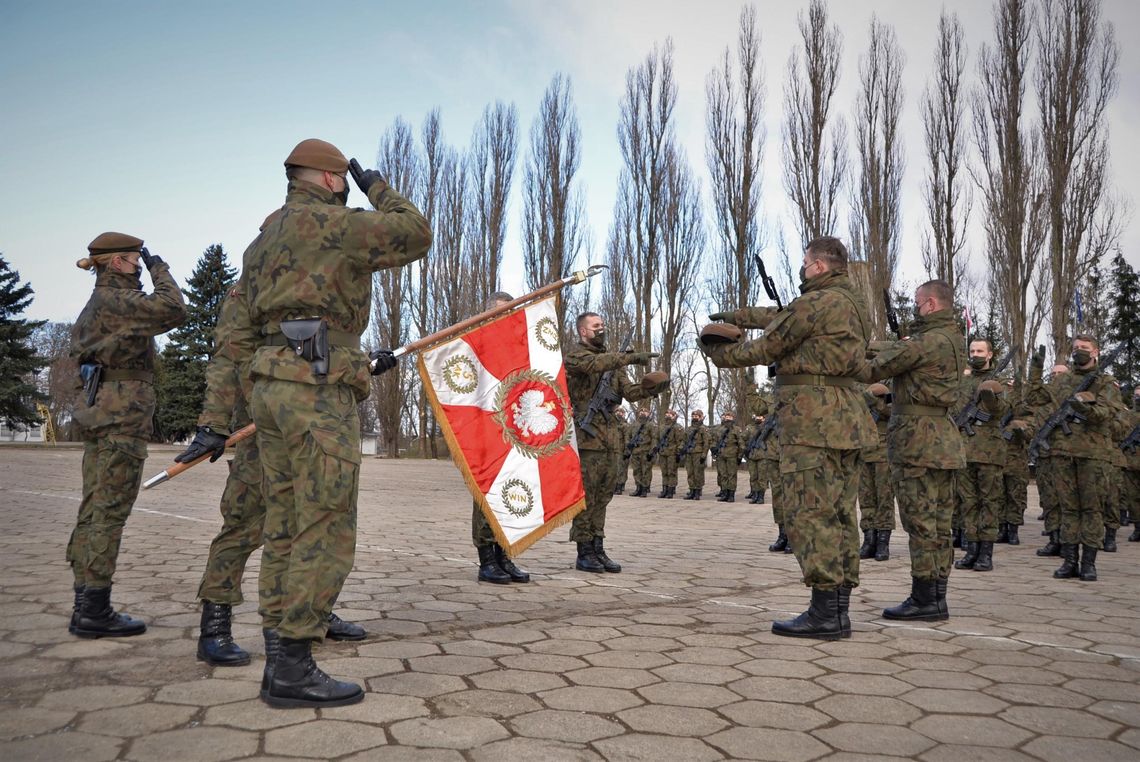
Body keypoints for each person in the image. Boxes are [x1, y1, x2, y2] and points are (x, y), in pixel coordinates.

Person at [242, 138, 431, 707]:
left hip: (270, 386)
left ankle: (280, 656)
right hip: (316, 390)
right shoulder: (337, 223)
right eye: (342, 178)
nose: (345, 186)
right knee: (325, 525)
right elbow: (415, 232)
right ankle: (296, 665)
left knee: (283, 522)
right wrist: (375, 184)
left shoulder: (263, 239)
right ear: (328, 178)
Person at [176, 267, 367, 670]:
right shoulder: (253, 288)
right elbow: (227, 357)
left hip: (315, 419)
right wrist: (212, 423)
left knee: (316, 522)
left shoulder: (316, 284)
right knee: (244, 524)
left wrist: (363, 366)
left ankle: (312, 615)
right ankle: (215, 626)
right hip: (262, 425)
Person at [702, 236, 874, 639]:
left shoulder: (816, 302)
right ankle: (839, 607)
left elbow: (770, 343)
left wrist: (718, 353)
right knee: (841, 514)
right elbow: (778, 316)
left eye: (804, 262)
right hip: (847, 419)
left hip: (813, 422)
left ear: (817, 266)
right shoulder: (853, 303)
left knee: (809, 514)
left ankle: (824, 613)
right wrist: (740, 315)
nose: (801, 269)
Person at [67, 233, 187, 637]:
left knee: (94, 508)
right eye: (135, 260)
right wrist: (160, 268)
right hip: (121, 420)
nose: (140, 265)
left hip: (103, 415)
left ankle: (85, 603)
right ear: (117, 262)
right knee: (109, 512)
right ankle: (94, 609)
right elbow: (173, 309)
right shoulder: (116, 301)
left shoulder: (98, 303)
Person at [858, 279, 965, 621]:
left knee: (921, 524)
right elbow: (898, 350)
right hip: (944, 441)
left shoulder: (927, 341)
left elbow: (875, 367)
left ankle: (924, 600)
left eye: (918, 304)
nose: (916, 309)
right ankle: (937, 597)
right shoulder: (952, 338)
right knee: (939, 525)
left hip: (918, 443)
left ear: (932, 304)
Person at [566, 313, 669, 572]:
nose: (601, 329)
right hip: (586, 437)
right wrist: (629, 357)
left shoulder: (614, 365)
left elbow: (630, 393)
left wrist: (652, 388)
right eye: (595, 326)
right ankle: (583, 550)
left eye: (602, 325)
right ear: (583, 332)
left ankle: (598, 546)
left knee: (604, 495)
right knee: (587, 496)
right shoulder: (576, 356)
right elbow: (595, 364)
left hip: (610, 438)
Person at [1023, 335, 1122, 582]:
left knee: (1091, 508)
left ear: (1095, 351)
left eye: (1084, 348)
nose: (1079, 352)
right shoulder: (1064, 380)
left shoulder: (1105, 383)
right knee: (1068, 508)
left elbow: (1107, 414)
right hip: (1062, 454)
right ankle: (1069, 560)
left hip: (1093, 454)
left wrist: (1083, 408)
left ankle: (1088, 563)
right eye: (1076, 348)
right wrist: (1035, 368)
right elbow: (1035, 397)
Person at [472, 292, 530, 584]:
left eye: (512, 310)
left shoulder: (516, 346)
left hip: (512, 430)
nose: (509, 315)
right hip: (484, 431)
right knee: (486, 495)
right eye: (503, 311)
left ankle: (504, 555)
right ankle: (487, 560)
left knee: (508, 495)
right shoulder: (476, 340)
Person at [953, 339, 1010, 573]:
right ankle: (971, 549)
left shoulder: (1000, 382)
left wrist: (989, 396)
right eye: (972, 351)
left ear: (990, 354)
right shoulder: (963, 382)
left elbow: (1003, 410)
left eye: (980, 351)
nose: (975, 354)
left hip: (989, 452)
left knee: (989, 502)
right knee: (968, 503)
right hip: (965, 450)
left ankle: (986, 553)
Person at [858, 383, 895, 562]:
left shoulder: (888, 389)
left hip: (883, 453)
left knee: (884, 497)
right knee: (866, 499)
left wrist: (873, 400)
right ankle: (869, 539)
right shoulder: (860, 389)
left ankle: (883, 542)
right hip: (863, 452)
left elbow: (892, 411)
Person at [710, 412, 744, 502]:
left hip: (732, 455)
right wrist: (713, 448)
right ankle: (724, 493)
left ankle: (731, 494)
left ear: (733, 418)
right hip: (721, 455)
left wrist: (740, 456)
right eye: (726, 417)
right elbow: (714, 440)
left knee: (731, 475)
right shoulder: (720, 429)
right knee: (723, 475)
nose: (727, 418)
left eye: (729, 417)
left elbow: (741, 444)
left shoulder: (736, 429)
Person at [654, 409, 685, 498]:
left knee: (671, 472)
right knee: (664, 472)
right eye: (667, 413)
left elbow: (681, 441)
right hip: (663, 452)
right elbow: (657, 438)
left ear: (674, 416)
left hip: (672, 452)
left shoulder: (677, 427)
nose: (668, 415)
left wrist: (679, 452)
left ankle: (671, 490)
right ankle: (665, 489)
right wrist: (656, 447)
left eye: (670, 414)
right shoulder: (662, 427)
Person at [680, 410, 711, 500]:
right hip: (689, 453)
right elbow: (684, 440)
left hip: (698, 453)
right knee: (690, 472)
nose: (694, 417)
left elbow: (706, 442)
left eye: (697, 416)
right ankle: (692, 490)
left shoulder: (703, 429)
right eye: (693, 416)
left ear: (701, 417)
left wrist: (704, 454)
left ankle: (698, 491)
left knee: (698, 473)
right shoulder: (689, 429)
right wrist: (681, 449)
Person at [627, 407, 657, 497]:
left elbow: (654, 438)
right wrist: (629, 445)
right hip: (635, 451)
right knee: (636, 471)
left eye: (645, 412)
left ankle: (644, 489)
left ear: (649, 414)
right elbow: (628, 436)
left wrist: (652, 452)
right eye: (641, 411)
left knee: (646, 471)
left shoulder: (651, 425)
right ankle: (638, 488)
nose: (643, 413)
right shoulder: (633, 425)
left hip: (646, 451)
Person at [611, 407, 631, 494]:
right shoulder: (612, 424)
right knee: (613, 469)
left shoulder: (625, 426)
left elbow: (627, 439)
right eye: (617, 412)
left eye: (621, 412)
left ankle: (619, 486)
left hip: (621, 450)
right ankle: (614, 485)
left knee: (621, 469)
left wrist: (627, 450)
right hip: (613, 450)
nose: (619, 414)